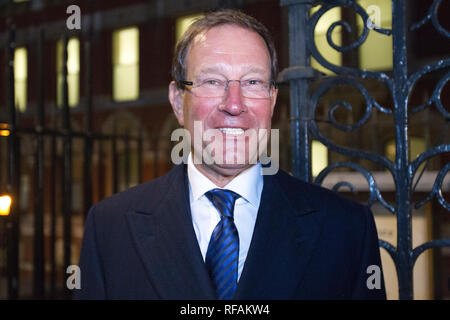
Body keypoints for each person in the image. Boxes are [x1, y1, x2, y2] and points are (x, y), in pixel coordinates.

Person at [74, 9, 386, 300]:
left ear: (272, 99)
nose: (234, 105)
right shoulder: (110, 229)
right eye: (212, 82)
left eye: (252, 82)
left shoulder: (346, 231)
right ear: (177, 100)